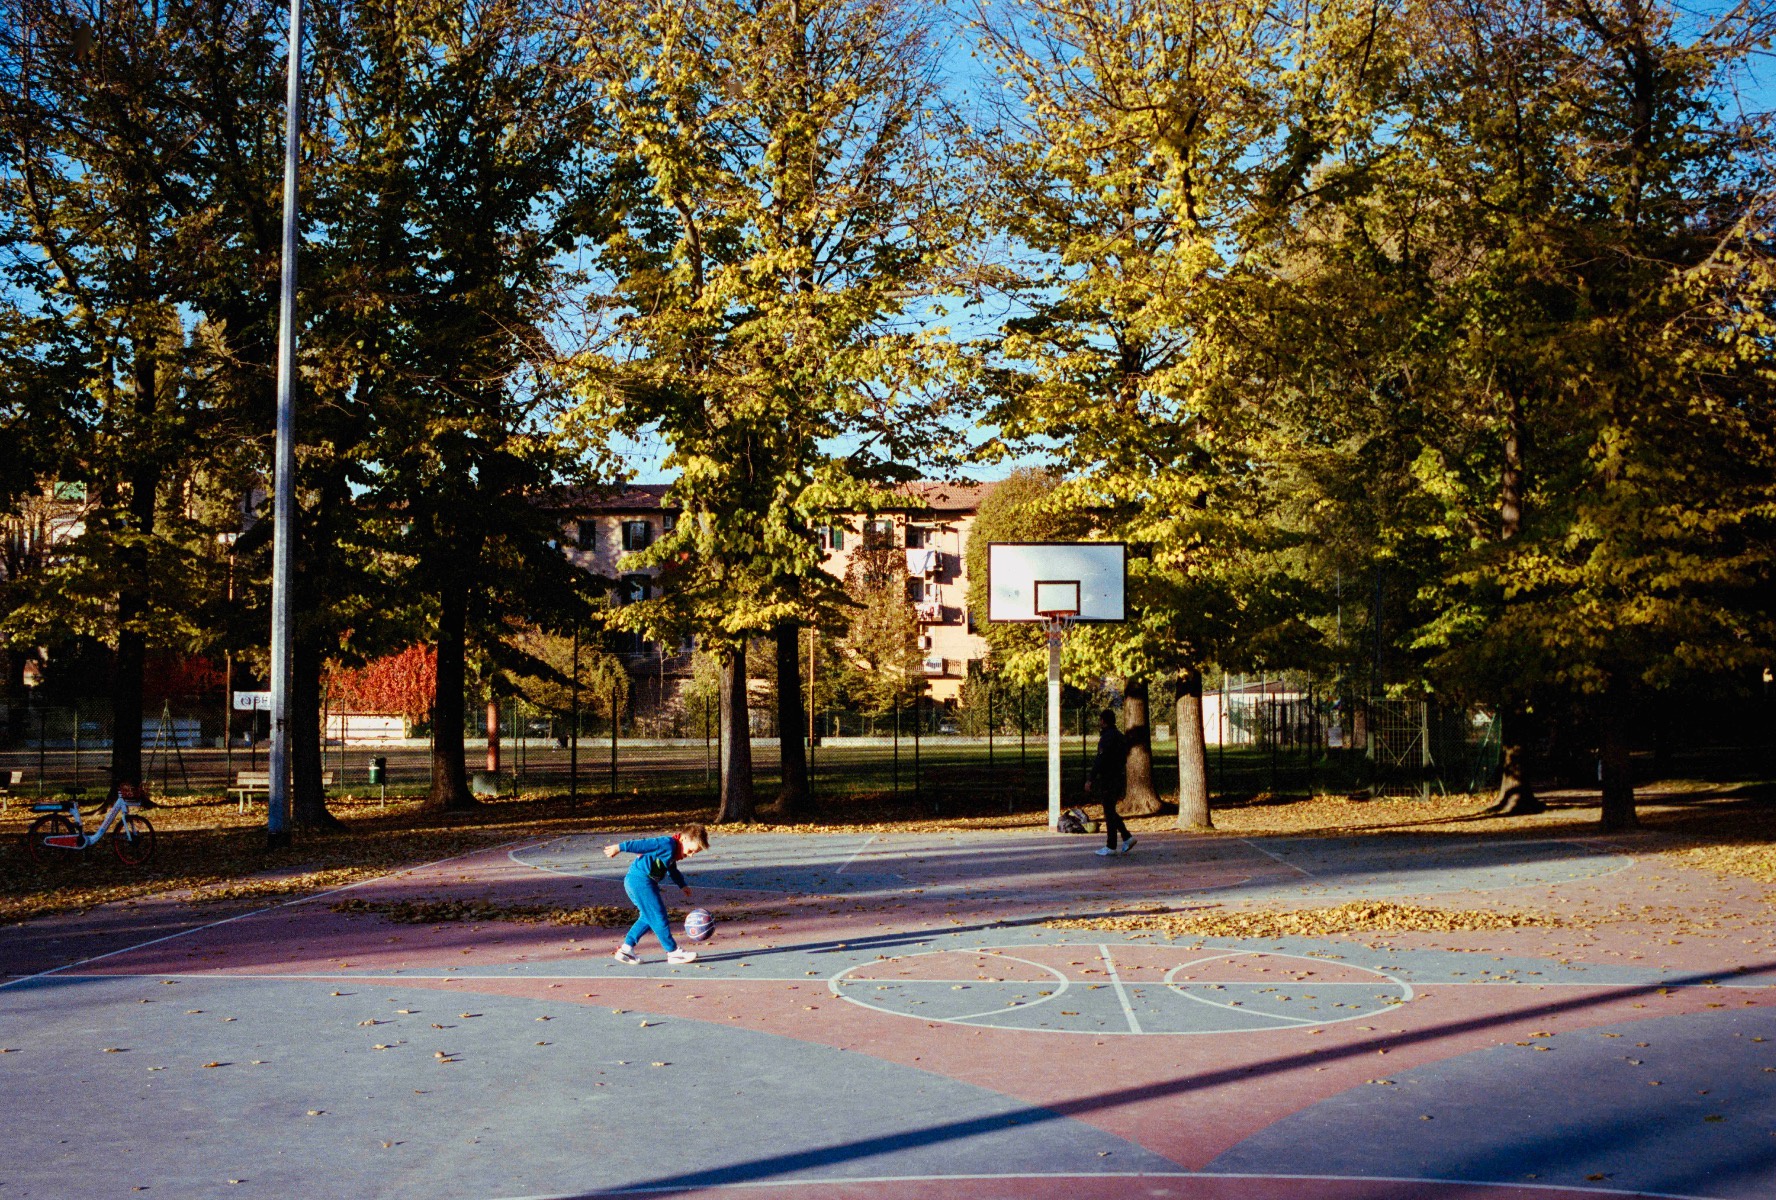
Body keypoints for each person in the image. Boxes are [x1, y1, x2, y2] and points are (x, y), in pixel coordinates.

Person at [603, 824, 709, 964]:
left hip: (637, 881)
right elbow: (643, 844)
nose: (690, 855)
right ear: (683, 839)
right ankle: (673, 952)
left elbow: (672, 869)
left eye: (694, 853)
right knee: (659, 915)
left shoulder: (673, 851)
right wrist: (620, 847)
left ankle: (626, 949)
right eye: (690, 850)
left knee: (648, 916)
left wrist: (682, 884)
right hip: (641, 881)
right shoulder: (667, 844)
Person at [1085, 709, 1134, 856]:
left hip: (1108, 778)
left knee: (1109, 811)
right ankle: (1126, 837)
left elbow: (1100, 760)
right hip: (1119, 776)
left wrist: (1090, 779)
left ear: (1103, 721)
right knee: (1110, 810)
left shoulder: (1106, 738)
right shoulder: (1120, 737)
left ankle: (1111, 845)